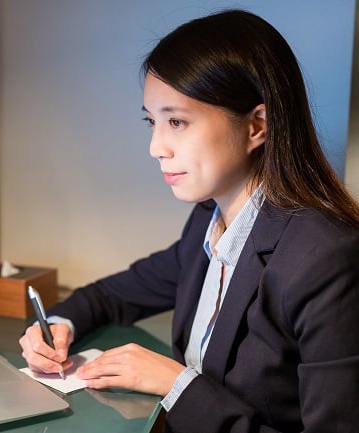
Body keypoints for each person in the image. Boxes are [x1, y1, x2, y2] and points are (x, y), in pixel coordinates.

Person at [19, 9, 359, 433]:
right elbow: (111, 295)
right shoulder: (209, 222)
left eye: (176, 122)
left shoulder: (324, 258)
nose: (156, 147)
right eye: (152, 121)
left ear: (257, 126)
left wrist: (176, 383)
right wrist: (54, 327)